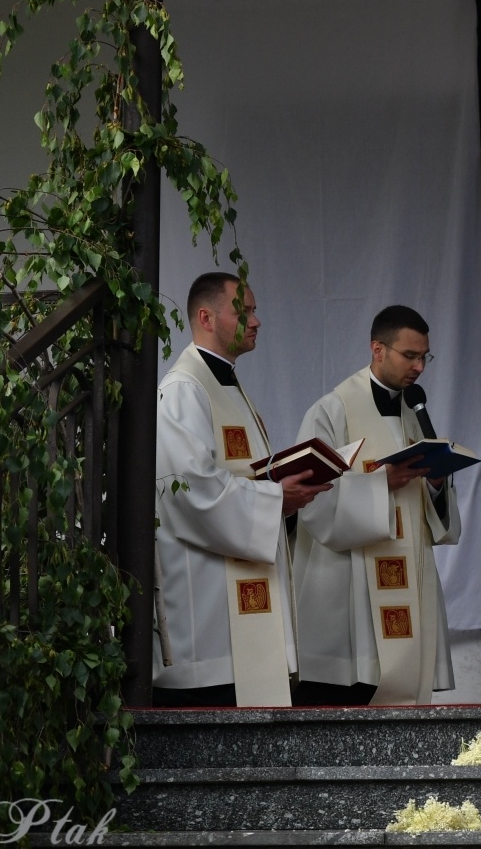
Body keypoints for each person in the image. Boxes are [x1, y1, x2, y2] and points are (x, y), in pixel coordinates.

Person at [154, 273, 332, 707]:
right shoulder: (183, 389)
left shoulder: (228, 387)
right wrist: (276, 498)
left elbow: (243, 477)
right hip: (209, 627)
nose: (256, 321)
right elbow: (189, 492)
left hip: (239, 612)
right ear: (206, 317)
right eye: (244, 311)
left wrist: (282, 485)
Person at [292, 305, 462, 706]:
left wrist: (437, 484)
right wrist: (377, 485)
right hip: (350, 591)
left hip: (408, 579)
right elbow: (310, 501)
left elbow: (432, 513)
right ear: (378, 349)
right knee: (350, 694)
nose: (419, 367)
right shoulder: (331, 411)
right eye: (410, 355)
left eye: (425, 357)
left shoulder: (417, 413)